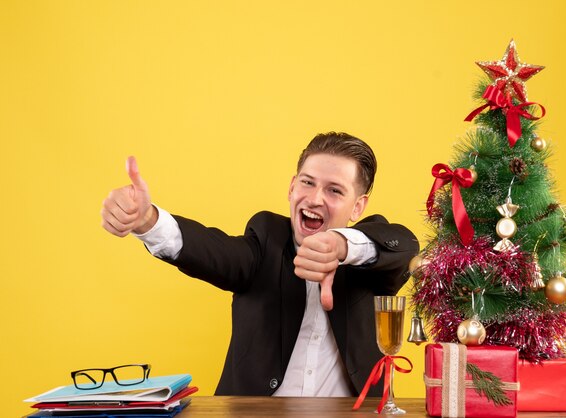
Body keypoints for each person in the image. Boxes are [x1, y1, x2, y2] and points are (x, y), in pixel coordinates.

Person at [101, 132, 418, 397]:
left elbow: (404, 246)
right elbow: (213, 250)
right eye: (307, 183)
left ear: (357, 206)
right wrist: (148, 221)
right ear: (292, 187)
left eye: (335, 190)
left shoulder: (369, 256)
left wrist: (341, 245)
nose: (315, 198)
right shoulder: (266, 242)